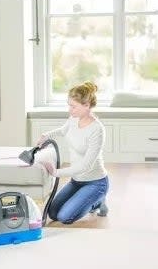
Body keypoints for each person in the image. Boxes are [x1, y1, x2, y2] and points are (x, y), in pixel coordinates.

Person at [37, 81, 109, 224]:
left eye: (73, 106)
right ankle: (88, 199)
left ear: (87, 105)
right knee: (53, 213)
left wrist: (56, 172)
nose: (70, 110)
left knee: (65, 217)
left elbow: (85, 167)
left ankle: (98, 200)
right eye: (69, 105)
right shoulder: (73, 119)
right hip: (76, 181)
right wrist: (46, 136)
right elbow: (62, 131)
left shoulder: (97, 130)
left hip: (95, 183)